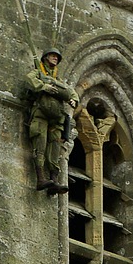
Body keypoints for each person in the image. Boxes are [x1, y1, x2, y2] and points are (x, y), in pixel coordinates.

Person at [26, 49, 79, 193]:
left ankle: (54, 181)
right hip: (41, 115)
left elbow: (70, 91)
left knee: (55, 148)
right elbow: (29, 79)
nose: (55, 59)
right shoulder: (38, 73)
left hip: (56, 119)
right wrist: (44, 87)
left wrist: (74, 100)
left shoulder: (58, 80)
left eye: (57, 57)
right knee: (40, 144)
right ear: (45, 58)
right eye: (53, 56)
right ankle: (41, 178)